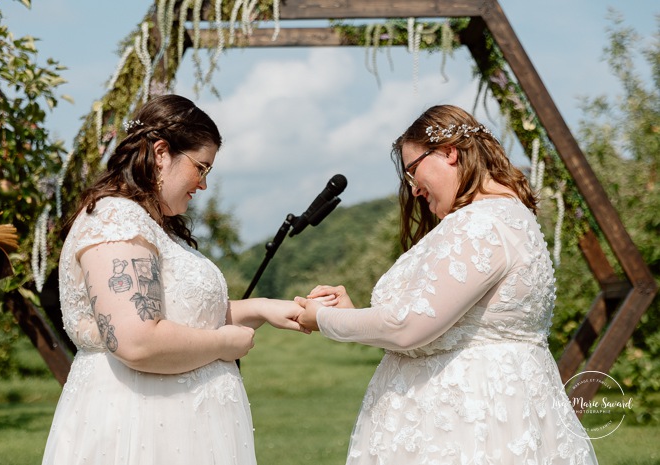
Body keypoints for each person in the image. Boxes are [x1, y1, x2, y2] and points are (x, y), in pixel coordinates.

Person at [295, 104, 598, 464]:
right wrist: (356, 315)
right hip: (492, 406)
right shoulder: (506, 217)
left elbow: (409, 328)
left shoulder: (480, 224)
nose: (414, 190)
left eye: (412, 171)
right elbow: (435, 322)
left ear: (449, 153)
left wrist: (323, 319)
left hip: (465, 421)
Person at [42, 94, 307, 465]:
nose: (203, 184)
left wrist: (261, 308)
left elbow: (180, 314)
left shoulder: (151, 225)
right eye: (201, 167)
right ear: (161, 152)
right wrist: (221, 344)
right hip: (140, 425)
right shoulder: (115, 221)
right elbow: (136, 340)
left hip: (178, 423)